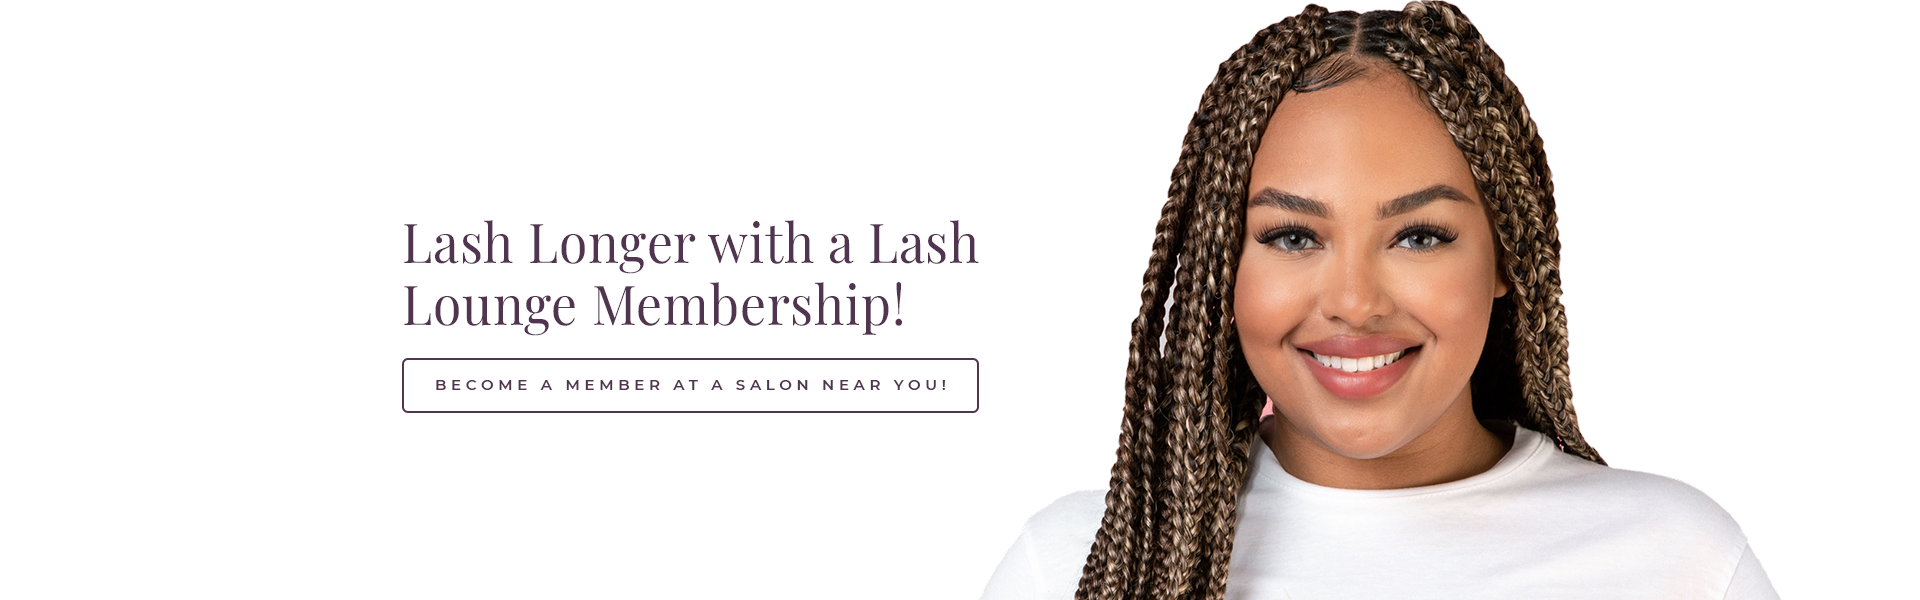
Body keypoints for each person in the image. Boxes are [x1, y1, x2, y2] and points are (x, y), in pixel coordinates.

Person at [980, 3, 1779, 599]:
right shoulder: (1077, 565)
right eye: (1293, 237)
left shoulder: (1679, 563)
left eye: (1420, 236)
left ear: (1506, 256)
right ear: (1225, 265)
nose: (1355, 302)